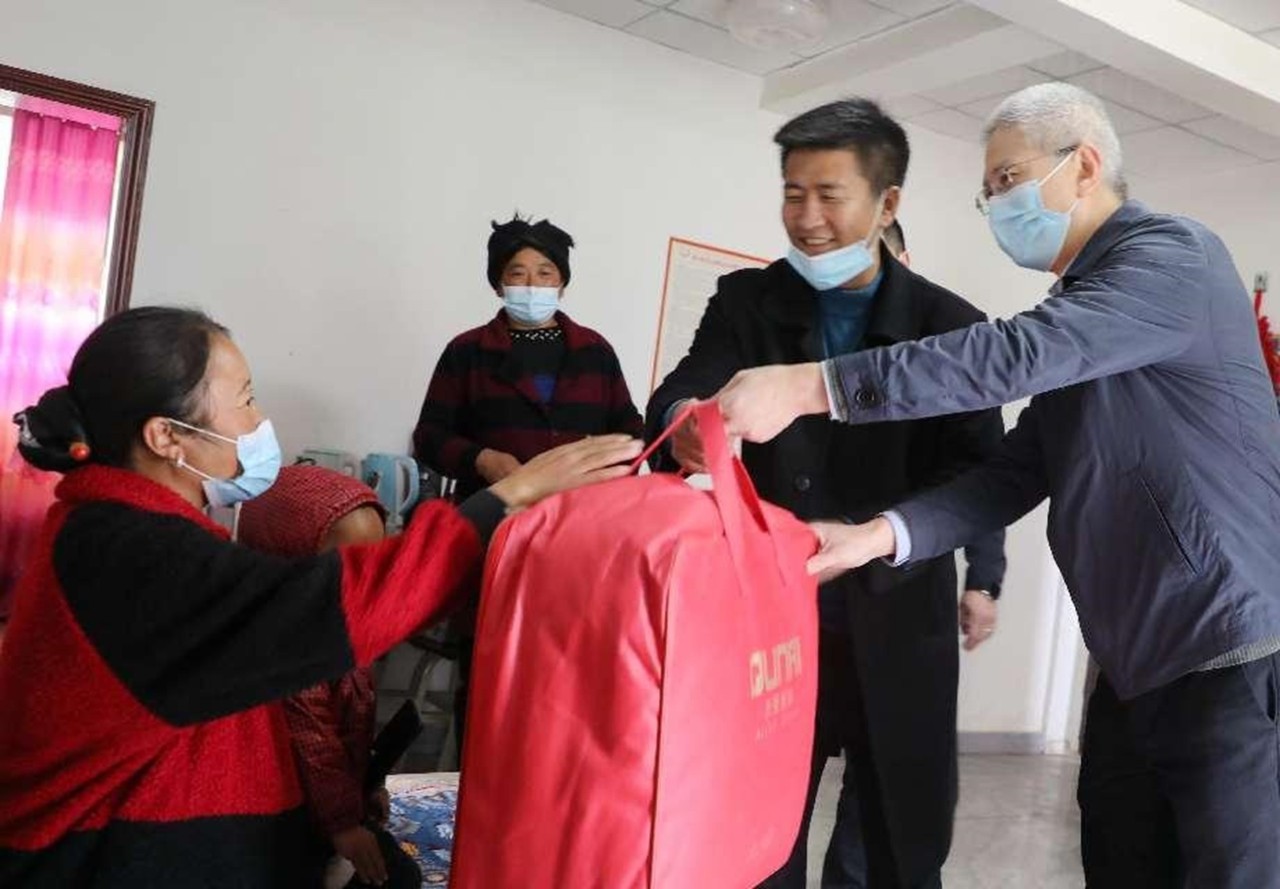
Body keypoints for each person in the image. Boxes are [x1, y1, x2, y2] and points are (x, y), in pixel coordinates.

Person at [714, 82, 1280, 888]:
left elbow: (1012, 356)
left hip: (1229, 649)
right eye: (989, 192)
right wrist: (878, 535)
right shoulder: (1084, 310)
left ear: (1085, 166)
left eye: (1009, 179)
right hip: (1135, 663)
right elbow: (1014, 471)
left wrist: (816, 384)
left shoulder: (1174, 257)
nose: (998, 205)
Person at [0, 306, 639, 888]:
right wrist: (504, 500)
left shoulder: (134, 531)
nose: (259, 423)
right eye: (246, 401)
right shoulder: (124, 552)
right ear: (166, 437)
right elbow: (322, 611)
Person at [647, 99, 1006, 888]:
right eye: (793, 193)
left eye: (829, 195)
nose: (806, 218)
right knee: (754, 827)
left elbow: (980, 474)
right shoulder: (746, 301)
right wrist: (684, 422)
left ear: (888, 202)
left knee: (890, 832)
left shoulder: (952, 326)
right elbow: (683, 388)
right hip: (768, 617)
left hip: (897, 609)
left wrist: (929, 551)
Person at [412, 213, 645, 751]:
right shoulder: (467, 352)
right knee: (489, 673)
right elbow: (429, 437)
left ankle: (550, 778)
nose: (532, 285)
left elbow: (630, 431)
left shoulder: (595, 352)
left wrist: (609, 470)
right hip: (495, 532)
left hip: (578, 541)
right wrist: (482, 459)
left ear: (563, 281)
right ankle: (478, 779)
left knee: (568, 676)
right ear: (498, 282)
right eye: (517, 273)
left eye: (545, 273)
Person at [821, 219, 1004, 889]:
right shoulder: (806, 343)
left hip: (903, 596)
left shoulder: (951, 340)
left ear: (904, 259)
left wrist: (984, 578)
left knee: (888, 793)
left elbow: (982, 475)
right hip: (805, 605)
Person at [237, 463, 418, 889]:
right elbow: (312, 742)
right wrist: (344, 825)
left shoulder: (335, 619)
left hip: (327, 803)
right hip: (280, 817)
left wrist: (366, 786)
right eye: (347, 566)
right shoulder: (283, 639)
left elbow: (346, 722)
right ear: (291, 556)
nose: (364, 580)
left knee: (397, 873)